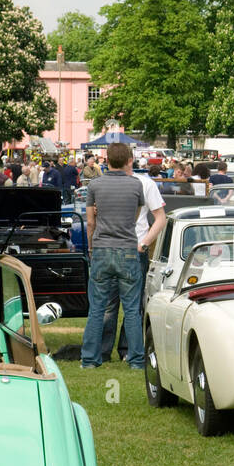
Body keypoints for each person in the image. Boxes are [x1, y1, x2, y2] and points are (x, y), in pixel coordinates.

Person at [81, 144, 150, 369]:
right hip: (128, 250)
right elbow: (135, 217)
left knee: (98, 308)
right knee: (132, 309)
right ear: (129, 160)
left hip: (102, 248)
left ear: (106, 160)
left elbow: (90, 222)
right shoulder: (136, 185)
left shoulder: (95, 185)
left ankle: (90, 359)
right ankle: (136, 360)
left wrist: (91, 248)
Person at [99, 160, 167, 362]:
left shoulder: (145, 183)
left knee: (130, 303)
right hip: (113, 247)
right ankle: (106, 351)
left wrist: (143, 243)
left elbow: (160, 218)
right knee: (112, 303)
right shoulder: (104, 183)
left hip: (130, 248)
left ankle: (124, 350)